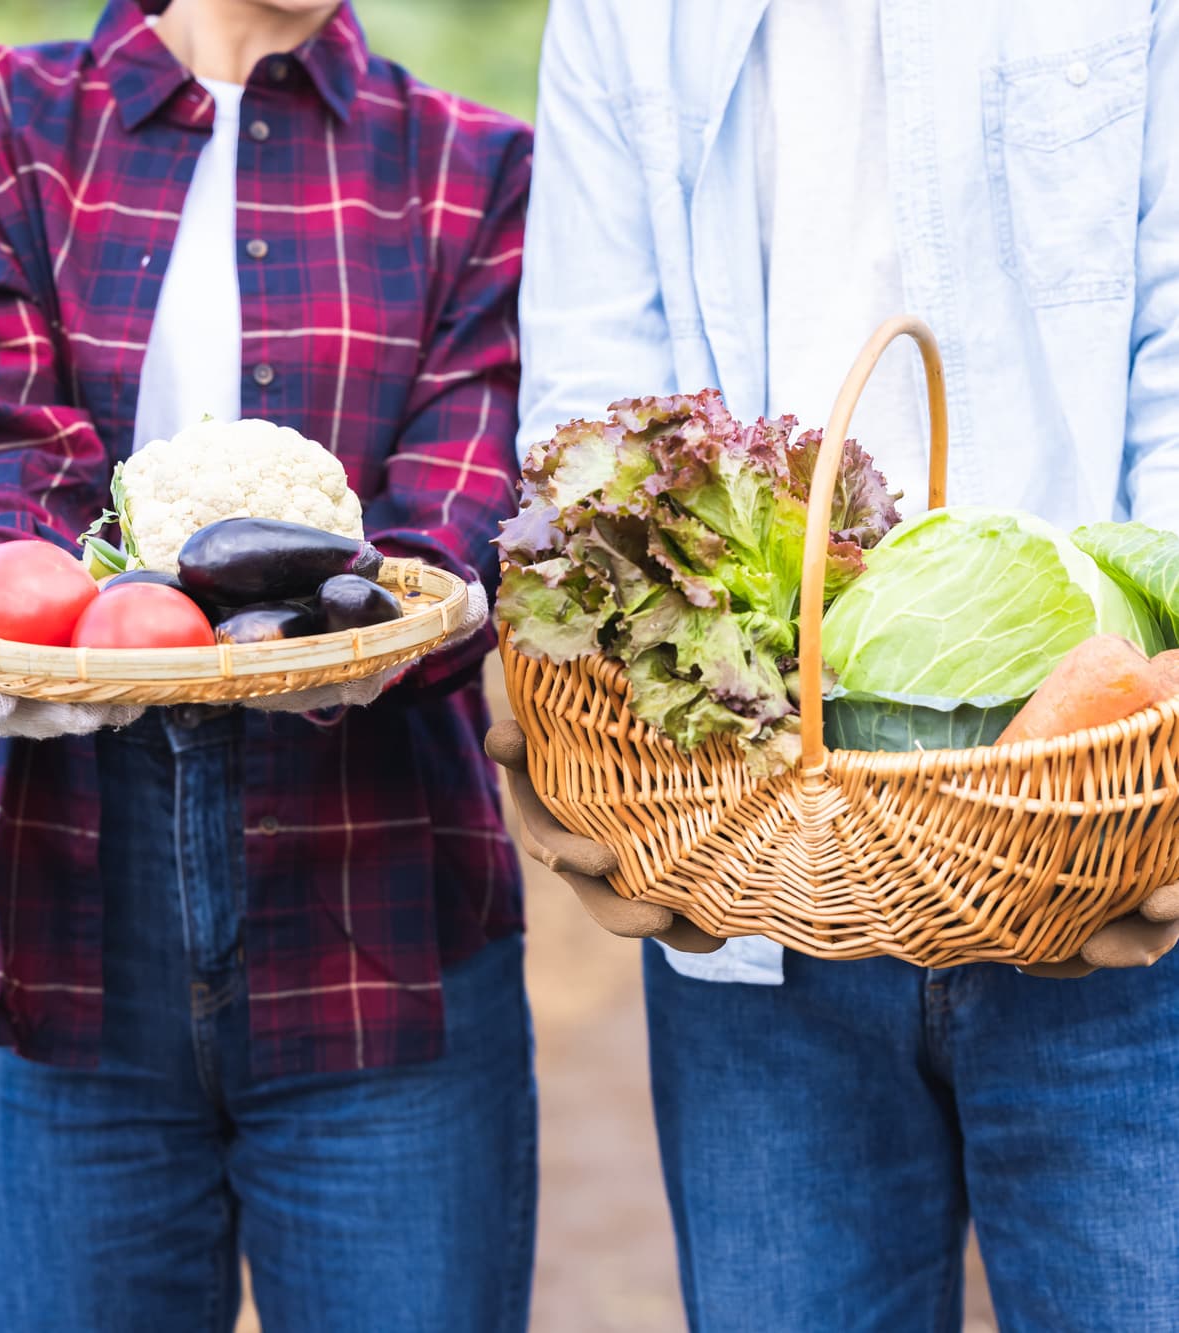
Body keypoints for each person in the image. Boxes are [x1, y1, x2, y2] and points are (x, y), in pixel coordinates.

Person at [490, 1, 1179, 1329]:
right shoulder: (620, 18)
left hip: (1114, 889)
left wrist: (1152, 755)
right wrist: (593, 743)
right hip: (759, 907)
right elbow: (588, 400)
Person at [0, 2, 536, 1329]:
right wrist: (17, 605)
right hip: (53, 900)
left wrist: (342, 631)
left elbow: (456, 505)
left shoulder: (475, 168)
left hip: (378, 903)